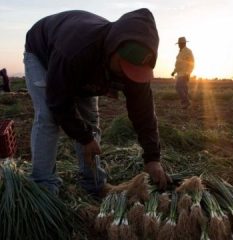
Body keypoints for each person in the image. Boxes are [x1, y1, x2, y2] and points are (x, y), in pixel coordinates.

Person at [24, 8, 170, 196]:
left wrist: (153, 158)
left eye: (135, 71)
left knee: (91, 121)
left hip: (85, 68)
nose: (128, 75)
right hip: (43, 53)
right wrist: (84, 138)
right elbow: (58, 100)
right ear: (114, 49)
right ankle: (42, 187)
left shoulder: (137, 65)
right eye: (124, 68)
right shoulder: (76, 50)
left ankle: (93, 184)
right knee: (48, 117)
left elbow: (144, 114)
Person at [171, 36, 195, 109]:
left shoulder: (188, 51)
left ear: (184, 43)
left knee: (178, 87)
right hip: (179, 74)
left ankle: (186, 102)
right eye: (178, 44)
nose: (179, 45)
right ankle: (186, 104)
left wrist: (188, 73)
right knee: (184, 89)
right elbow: (178, 64)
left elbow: (192, 63)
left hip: (184, 74)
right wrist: (174, 71)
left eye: (180, 43)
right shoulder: (180, 53)